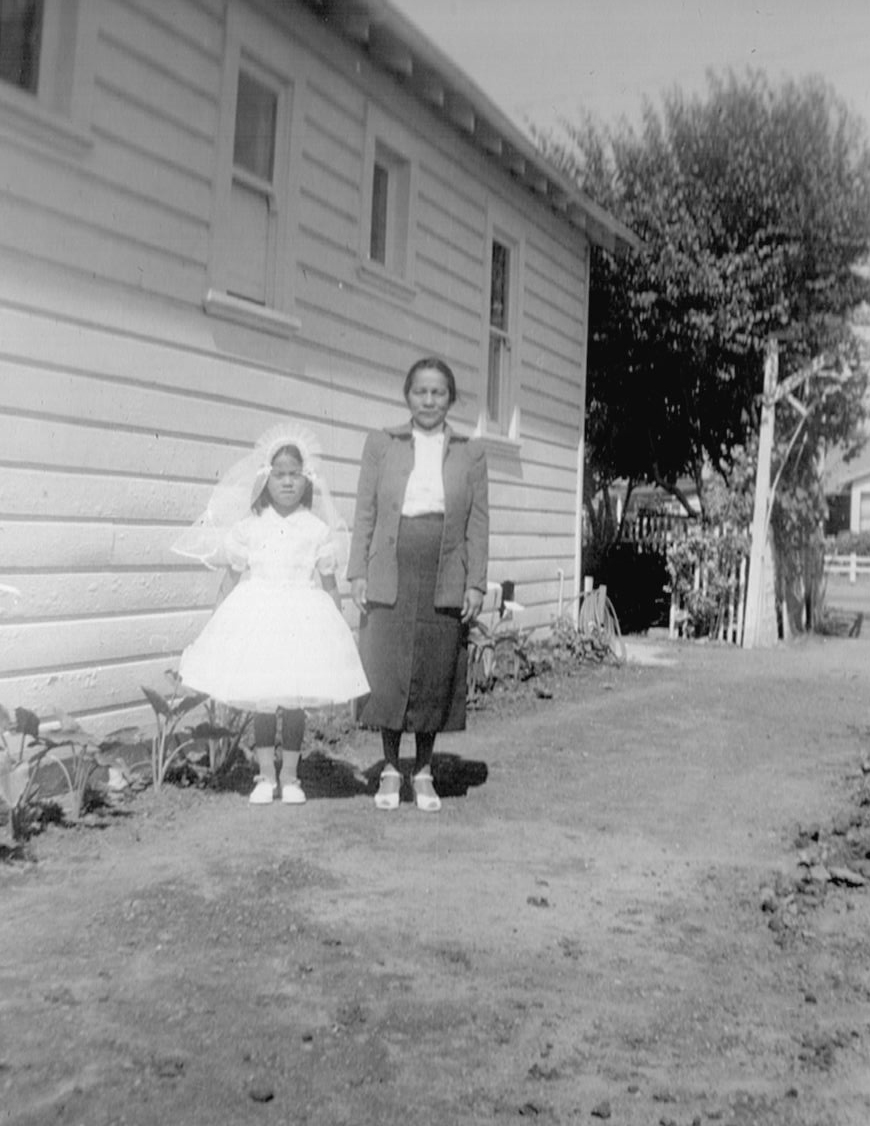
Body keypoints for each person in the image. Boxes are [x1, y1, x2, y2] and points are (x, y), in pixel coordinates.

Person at [173, 423, 369, 805]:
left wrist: (339, 623)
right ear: (265, 480)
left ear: (307, 481)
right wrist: (216, 619)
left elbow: (328, 582)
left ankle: (292, 778)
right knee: (264, 697)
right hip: (259, 616)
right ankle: (265, 776)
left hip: (302, 620)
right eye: (279, 475)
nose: (287, 483)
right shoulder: (250, 527)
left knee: (292, 701)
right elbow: (231, 579)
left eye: (295, 475)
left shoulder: (316, 529)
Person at [348, 357, 489, 812]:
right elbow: (365, 512)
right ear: (407, 396)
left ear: (451, 398)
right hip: (391, 563)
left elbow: (479, 523)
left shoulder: (471, 452)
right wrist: (358, 572)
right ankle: (391, 769)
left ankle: (423, 770)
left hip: (445, 566)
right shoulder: (381, 444)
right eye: (420, 392)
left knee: (434, 668)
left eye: (439, 393)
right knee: (388, 668)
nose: (429, 400)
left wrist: (476, 584)